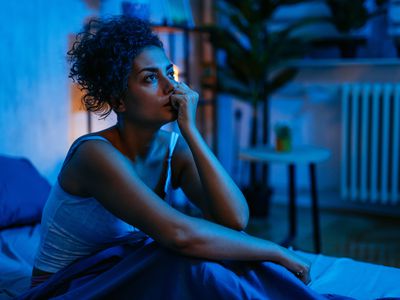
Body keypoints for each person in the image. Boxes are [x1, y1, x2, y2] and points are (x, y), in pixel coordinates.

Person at [30, 15, 311, 296]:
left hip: (121, 271)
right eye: (151, 78)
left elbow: (235, 220)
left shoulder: (173, 148)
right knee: (190, 262)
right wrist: (275, 250)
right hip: (69, 287)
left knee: (224, 255)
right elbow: (179, 235)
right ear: (118, 100)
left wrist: (192, 132)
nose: (172, 88)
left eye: (171, 74)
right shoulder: (93, 154)